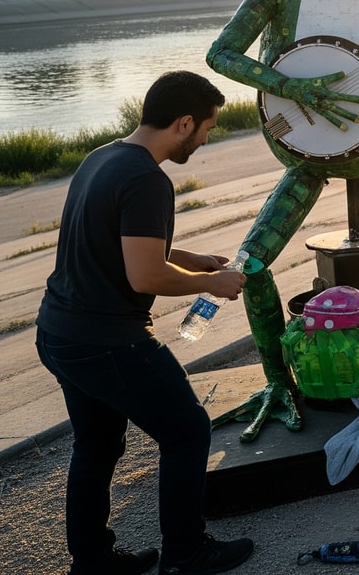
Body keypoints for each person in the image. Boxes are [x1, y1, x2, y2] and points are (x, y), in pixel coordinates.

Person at [34, 71, 255, 575]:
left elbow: (121, 243)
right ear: (183, 122)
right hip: (107, 340)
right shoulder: (148, 180)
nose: (205, 139)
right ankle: (186, 554)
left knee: (97, 443)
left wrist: (191, 257)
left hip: (59, 332)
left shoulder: (103, 157)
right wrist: (210, 284)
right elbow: (145, 275)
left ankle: (91, 562)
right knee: (187, 432)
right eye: (206, 128)